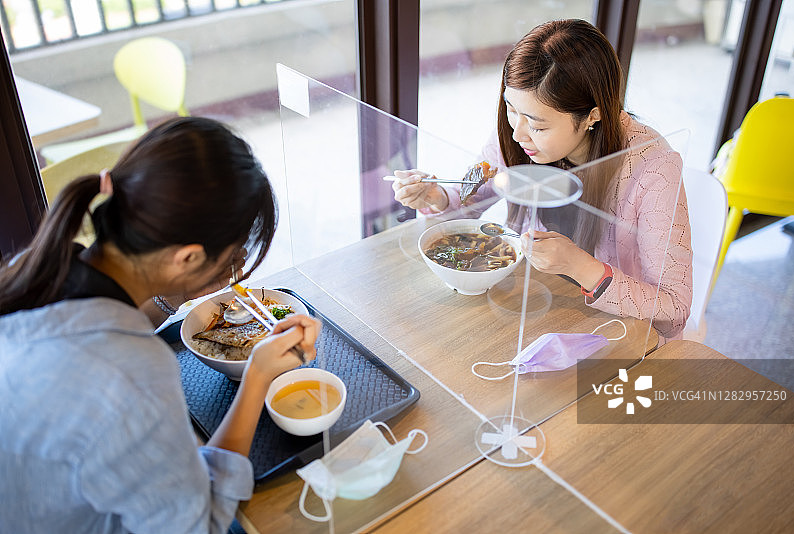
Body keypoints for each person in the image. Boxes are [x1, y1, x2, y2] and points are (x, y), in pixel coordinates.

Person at [0, 117, 321, 533]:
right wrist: (257, 375)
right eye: (231, 259)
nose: (234, 269)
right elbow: (198, 525)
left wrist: (176, 294)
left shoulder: (34, 275)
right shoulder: (133, 373)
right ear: (186, 258)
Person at [392, 19, 692, 341]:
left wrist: (579, 266)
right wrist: (437, 198)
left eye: (538, 125)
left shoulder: (654, 171)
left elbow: (673, 311)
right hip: (531, 305)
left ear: (593, 115)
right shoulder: (518, 133)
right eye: (511, 110)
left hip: (613, 331)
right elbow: (473, 199)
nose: (517, 133)